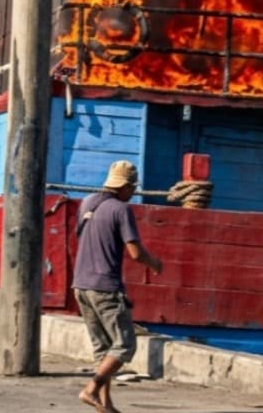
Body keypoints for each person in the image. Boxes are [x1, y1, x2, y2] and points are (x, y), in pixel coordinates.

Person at [74, 159, 162, 413]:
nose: (133, 192)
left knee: (103, 349)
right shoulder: (121, 210)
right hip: (105, 287)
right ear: (124, 186)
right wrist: (155, 263)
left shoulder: (87, 203)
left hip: (80, 285)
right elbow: (135, 252)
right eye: (132, 187)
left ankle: (106, 405)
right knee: (125, 344)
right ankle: (91, 389)